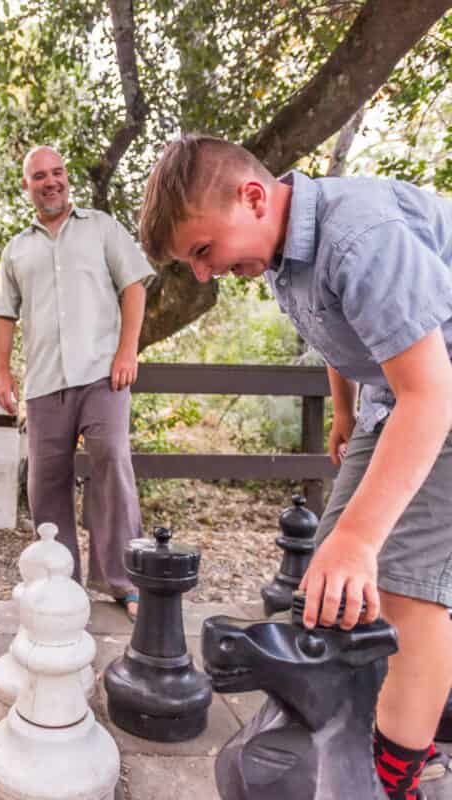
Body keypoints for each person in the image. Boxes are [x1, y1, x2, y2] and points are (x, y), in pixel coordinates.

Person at [138, 132, 452, 800]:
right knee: (332, 587)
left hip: (439, 395)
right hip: (393, 399)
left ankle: (399, 779)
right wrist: (343, 411)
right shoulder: (284, 256)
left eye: (201, 252)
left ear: (253, 197)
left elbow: (432, 392)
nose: (202, 273)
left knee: (400, 587)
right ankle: (355, 730)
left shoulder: (361, 235)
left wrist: (363, 539)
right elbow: (344, 333)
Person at [0, 145, 155, 621]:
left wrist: (128, 350)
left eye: (57, 172)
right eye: (39, 176)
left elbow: (134, 286)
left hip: (103, 373)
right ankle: (59, 579)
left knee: (111, 458)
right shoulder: (17, 249)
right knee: (45, 481)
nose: (50, 181)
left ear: (66, 178)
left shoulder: (101, 227)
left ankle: (123, 580)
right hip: (44, 383)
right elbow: (2, 313)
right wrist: (2, 372)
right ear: (28, 186)